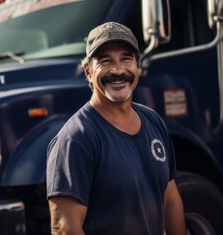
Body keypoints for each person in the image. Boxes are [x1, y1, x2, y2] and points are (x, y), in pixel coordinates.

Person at [46, 21, 186, 235]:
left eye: (126, 59)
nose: (118, 70)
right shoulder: (76, 139)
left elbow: (169, 197)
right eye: (105, 61)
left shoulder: (153, 121)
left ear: (137, 66)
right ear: (88, 71)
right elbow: (65, 228)